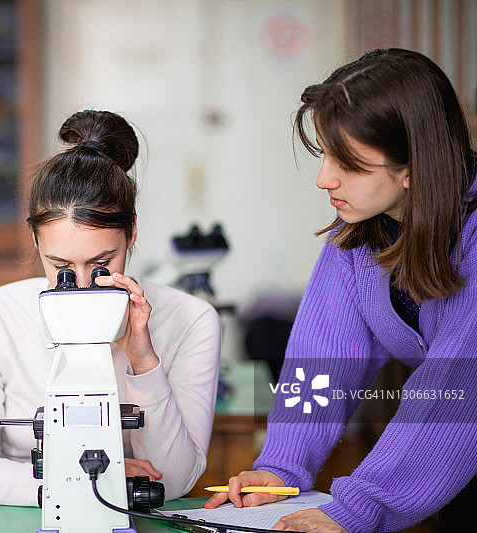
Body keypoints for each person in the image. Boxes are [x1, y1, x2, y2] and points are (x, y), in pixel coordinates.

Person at [203, 48, 477, 533]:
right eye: (326, 154)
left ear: (413, 164)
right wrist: (280, 469)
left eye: (348, 162)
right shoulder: (358, 234)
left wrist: (359, 508)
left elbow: (455, 390)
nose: (324, 178)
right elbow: (321, 363)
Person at [0, 109, 220, 505]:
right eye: (62, 267)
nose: (83, 285)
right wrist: (80, 480)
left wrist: (143, 361)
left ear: (132, 232)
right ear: (35, 241)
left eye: (102, 264)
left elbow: (174, 479)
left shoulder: (192, 320)